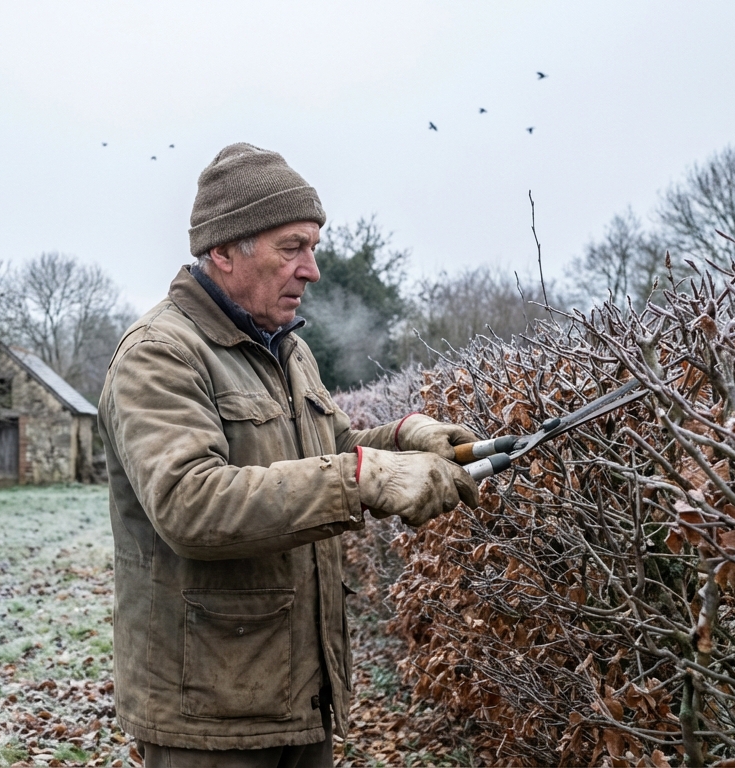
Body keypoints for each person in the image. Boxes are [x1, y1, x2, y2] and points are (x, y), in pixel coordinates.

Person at [98, 142, 480, 767]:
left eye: (314, 248)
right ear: (223, 250)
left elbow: (327, 455)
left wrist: (406, 439)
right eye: (292, 247)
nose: (312, 270)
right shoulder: (160, 353)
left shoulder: (287, 349)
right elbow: (190, 504)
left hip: (300, 695)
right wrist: (364, 476)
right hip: (211, 716)